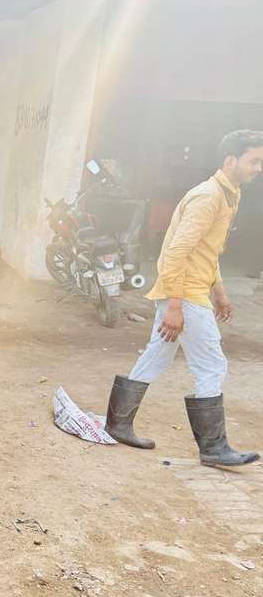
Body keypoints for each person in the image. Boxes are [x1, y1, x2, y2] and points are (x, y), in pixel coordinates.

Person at [105, 130, 263, 466]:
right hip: (185, 293)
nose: (258, 168)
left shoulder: (228, 194)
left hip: (190, 290)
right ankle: (213, 448)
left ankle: (118, 423)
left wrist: (220, 293)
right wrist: (175, 307)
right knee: (212, 365)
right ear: (230, 160)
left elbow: (207, 251)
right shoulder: (209, 197)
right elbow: (177, 252)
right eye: (254, 161)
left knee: (158, 357)